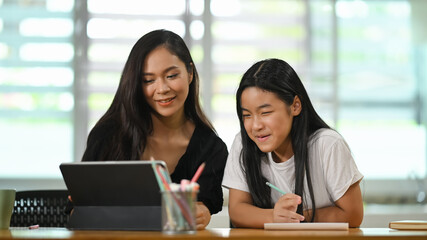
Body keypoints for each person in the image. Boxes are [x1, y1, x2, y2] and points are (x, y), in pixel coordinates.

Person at [78, 29, 228, 229]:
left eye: (172, 75)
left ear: (190, 73)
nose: (162, 88)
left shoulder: (211, 148)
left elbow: (204, 206)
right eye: (149, 80)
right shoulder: (108, 136)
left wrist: (202, 212)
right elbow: (76, 211)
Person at [222, 58, 363, 228]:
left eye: (265, 112)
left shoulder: (327, 144)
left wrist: (294, 217)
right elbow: (237, 210)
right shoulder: (243, 143)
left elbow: (353, 214)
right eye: (247, 115)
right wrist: (274, 216)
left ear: (295, 106)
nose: (256, 126)